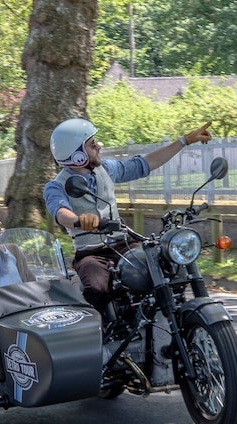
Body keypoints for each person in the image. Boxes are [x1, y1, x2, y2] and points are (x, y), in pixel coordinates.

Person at [43, 118, 212, 316]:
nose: (99, 146)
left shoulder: (106, 169)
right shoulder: (56, 186)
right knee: (96, 289)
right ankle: (98, 334)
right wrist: (79, 220)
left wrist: (184, 141)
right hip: (91, 253)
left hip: (125, 243)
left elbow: (146, 164)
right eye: (92, 144)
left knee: (168, 269)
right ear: (77, 155)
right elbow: (60, 212)